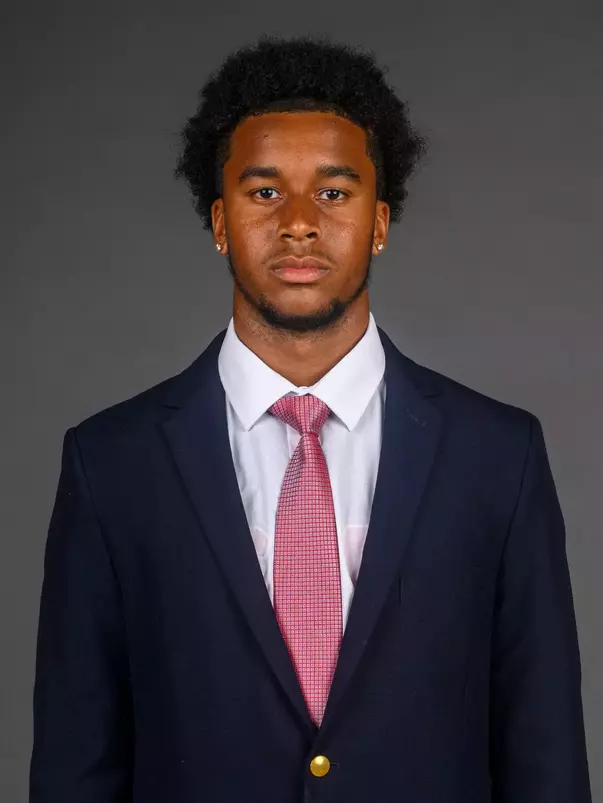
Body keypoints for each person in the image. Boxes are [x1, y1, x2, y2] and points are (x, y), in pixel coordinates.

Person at [29, 34, 592, 803]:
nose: (298, 222)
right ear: (220, 220)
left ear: (380, 221)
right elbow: (75, 764)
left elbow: (545, 757)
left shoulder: (498, 455)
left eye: (332, 192)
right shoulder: (110, 464)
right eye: (264, 192)